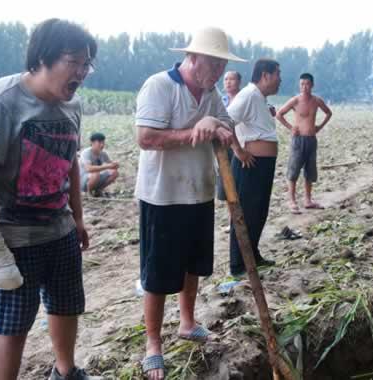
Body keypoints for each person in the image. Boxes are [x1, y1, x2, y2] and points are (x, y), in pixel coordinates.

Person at [0, 19, 97, 380]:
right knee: (12, 323)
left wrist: (77, 218)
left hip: (60, 230)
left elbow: (70, 165)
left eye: (87, 64)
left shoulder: (73, 106)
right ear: (43, 58)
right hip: (15, 239)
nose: (82, 72)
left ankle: (65, 372)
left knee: (67, 306)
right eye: (74, 62)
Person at [134, 27, 241, 380]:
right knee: (158, 271)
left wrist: (217, 127)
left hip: (200, 191)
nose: (219, 71)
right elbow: (146, 137)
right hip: (163, 195)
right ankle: (153, 343)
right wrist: (195, 131)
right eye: (214, 63)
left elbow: (225, 125)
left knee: (193, 264)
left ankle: (187, 321)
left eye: (222, 64)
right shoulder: (159, 86)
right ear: (194, 58)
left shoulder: (211, 93)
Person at [227, 58, 281, 276]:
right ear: (265, 75)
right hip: (250, 164)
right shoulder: (248, 95)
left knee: (258, 213)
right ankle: (238, 265)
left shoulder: (259, 97)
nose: (280, 80)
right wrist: (238, 150)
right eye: (277, 74)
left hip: (263, 164)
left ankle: (253, 255)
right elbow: (226, 121)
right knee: (245, 213)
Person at [277, 73, 332, 214]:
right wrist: (291, 127)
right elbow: (279, 114)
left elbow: (328, 113)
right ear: (299, 85)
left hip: (311, 140)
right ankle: (292, 201)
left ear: (312, 85)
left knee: (310, 171)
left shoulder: (316, 101)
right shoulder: (295, 100)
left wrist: (319, 126)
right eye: (302, 84)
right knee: (293, 170)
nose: (304, 87)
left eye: (307, 84)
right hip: (298, 140)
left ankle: (308, 200)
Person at [216, 71, 242, 206]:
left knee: (240, 182)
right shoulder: (220, 100)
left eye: (232, 79)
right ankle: (233, 219)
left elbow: (267, 107)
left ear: (239, 82)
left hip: (242, 145)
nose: (228, 82)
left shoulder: (245, 98)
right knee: (226, 182)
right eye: (226, 79)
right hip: (225, 145)